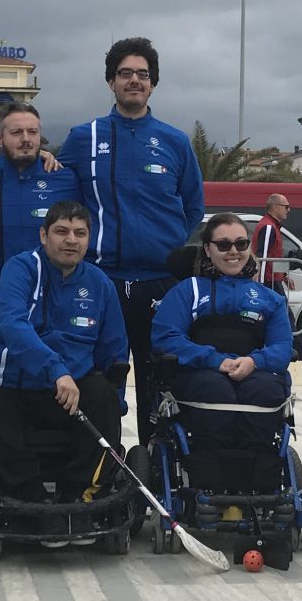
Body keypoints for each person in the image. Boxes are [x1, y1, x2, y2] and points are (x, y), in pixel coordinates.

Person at [60, 37, 204, 444]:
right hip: (100, 280)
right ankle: (104, 476)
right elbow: (60, 192)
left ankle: (155, 474)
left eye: (143, 74)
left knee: (159, 385)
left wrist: (169, 243)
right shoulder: (83, 137)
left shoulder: (175, 141)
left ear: (153, 84)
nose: (134, 81)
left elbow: (193, 206)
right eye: (125, 73)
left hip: (160, 282)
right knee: (103, 382)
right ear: (111, 82)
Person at [0, 201, 130, 502]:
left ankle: (76, 498)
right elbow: (13, 324)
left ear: (89, 239)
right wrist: (55, 369)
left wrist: (116, 403)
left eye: (80, 233)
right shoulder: (20, 269)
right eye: (61, 231)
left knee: (104, 397)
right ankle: (29, 497)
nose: (71, 240)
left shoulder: (100, 283)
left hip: (72, 390)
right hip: (16, 386)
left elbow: (114, 350)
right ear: (44, 235)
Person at [152, 213, 293, 453]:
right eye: (223, 245)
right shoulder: (188, 291)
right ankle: (209, 466)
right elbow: (166, 338)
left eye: (241, 244)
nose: (233, 251)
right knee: (216, 390)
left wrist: (254, 361)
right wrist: (216, 361)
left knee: (264, 391)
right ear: (207, 249)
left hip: (255, 370)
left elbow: (282, 347)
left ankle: (257, 468)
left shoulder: (271, 299)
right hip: (201, 371)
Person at [0, 102, 76, 375]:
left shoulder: (64, 179)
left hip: (50, 312)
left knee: (51, 403)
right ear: (0, 138)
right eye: (17, 132)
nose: (26, 138)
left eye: (32, 132)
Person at [250, 194, 291, 291]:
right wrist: (261, 286)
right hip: (269, 281)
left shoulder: (272, 226)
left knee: (283, 305)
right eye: (286, 207)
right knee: (282, 305)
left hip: (273, 279)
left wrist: (284, 275)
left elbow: (275, 255)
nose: (288, 210)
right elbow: (262, 257)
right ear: (275, 207)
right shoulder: (268, 227)